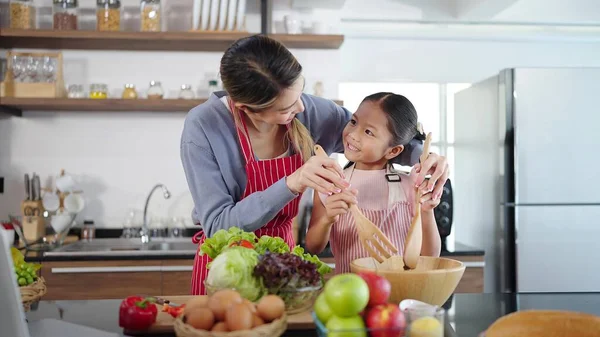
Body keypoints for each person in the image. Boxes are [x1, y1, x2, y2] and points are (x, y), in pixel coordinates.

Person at [180, 35, 449, 295]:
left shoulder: (306, 109)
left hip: (280, 266)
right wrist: (292, 183)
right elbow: (218, 225)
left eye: (300, 93)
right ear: (246, 108)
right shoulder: (205, 127)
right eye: (286, 108)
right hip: (226, 269)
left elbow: (377, 140)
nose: (301, 108)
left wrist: (424, 159)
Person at [305, 92, 442, 274]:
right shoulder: (330, 182)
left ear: (393, 151)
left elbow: (430, 256)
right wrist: (327, 219)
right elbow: (313, 246)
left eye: (368, 132)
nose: (353, 134)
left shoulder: (409, 186)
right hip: (350, 295)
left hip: (397, 293)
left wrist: (426, 211)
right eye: (353, 122)